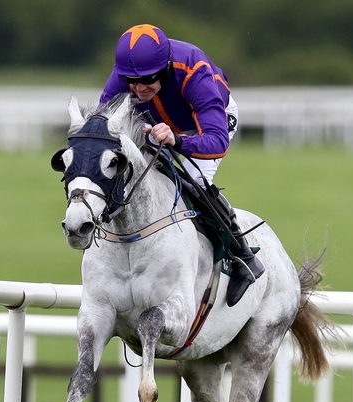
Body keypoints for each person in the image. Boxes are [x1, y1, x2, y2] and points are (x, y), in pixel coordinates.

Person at [100, 24, 264, 307]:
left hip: (208, 125)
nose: (139, 88)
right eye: (132, 81)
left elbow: (216, 141)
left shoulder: (194, 71)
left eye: (148, 79)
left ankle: (243, 257)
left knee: (192, 178)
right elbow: (103, 123)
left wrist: (177, 140)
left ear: (164, 69)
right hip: (157, 124)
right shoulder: (129, 73)